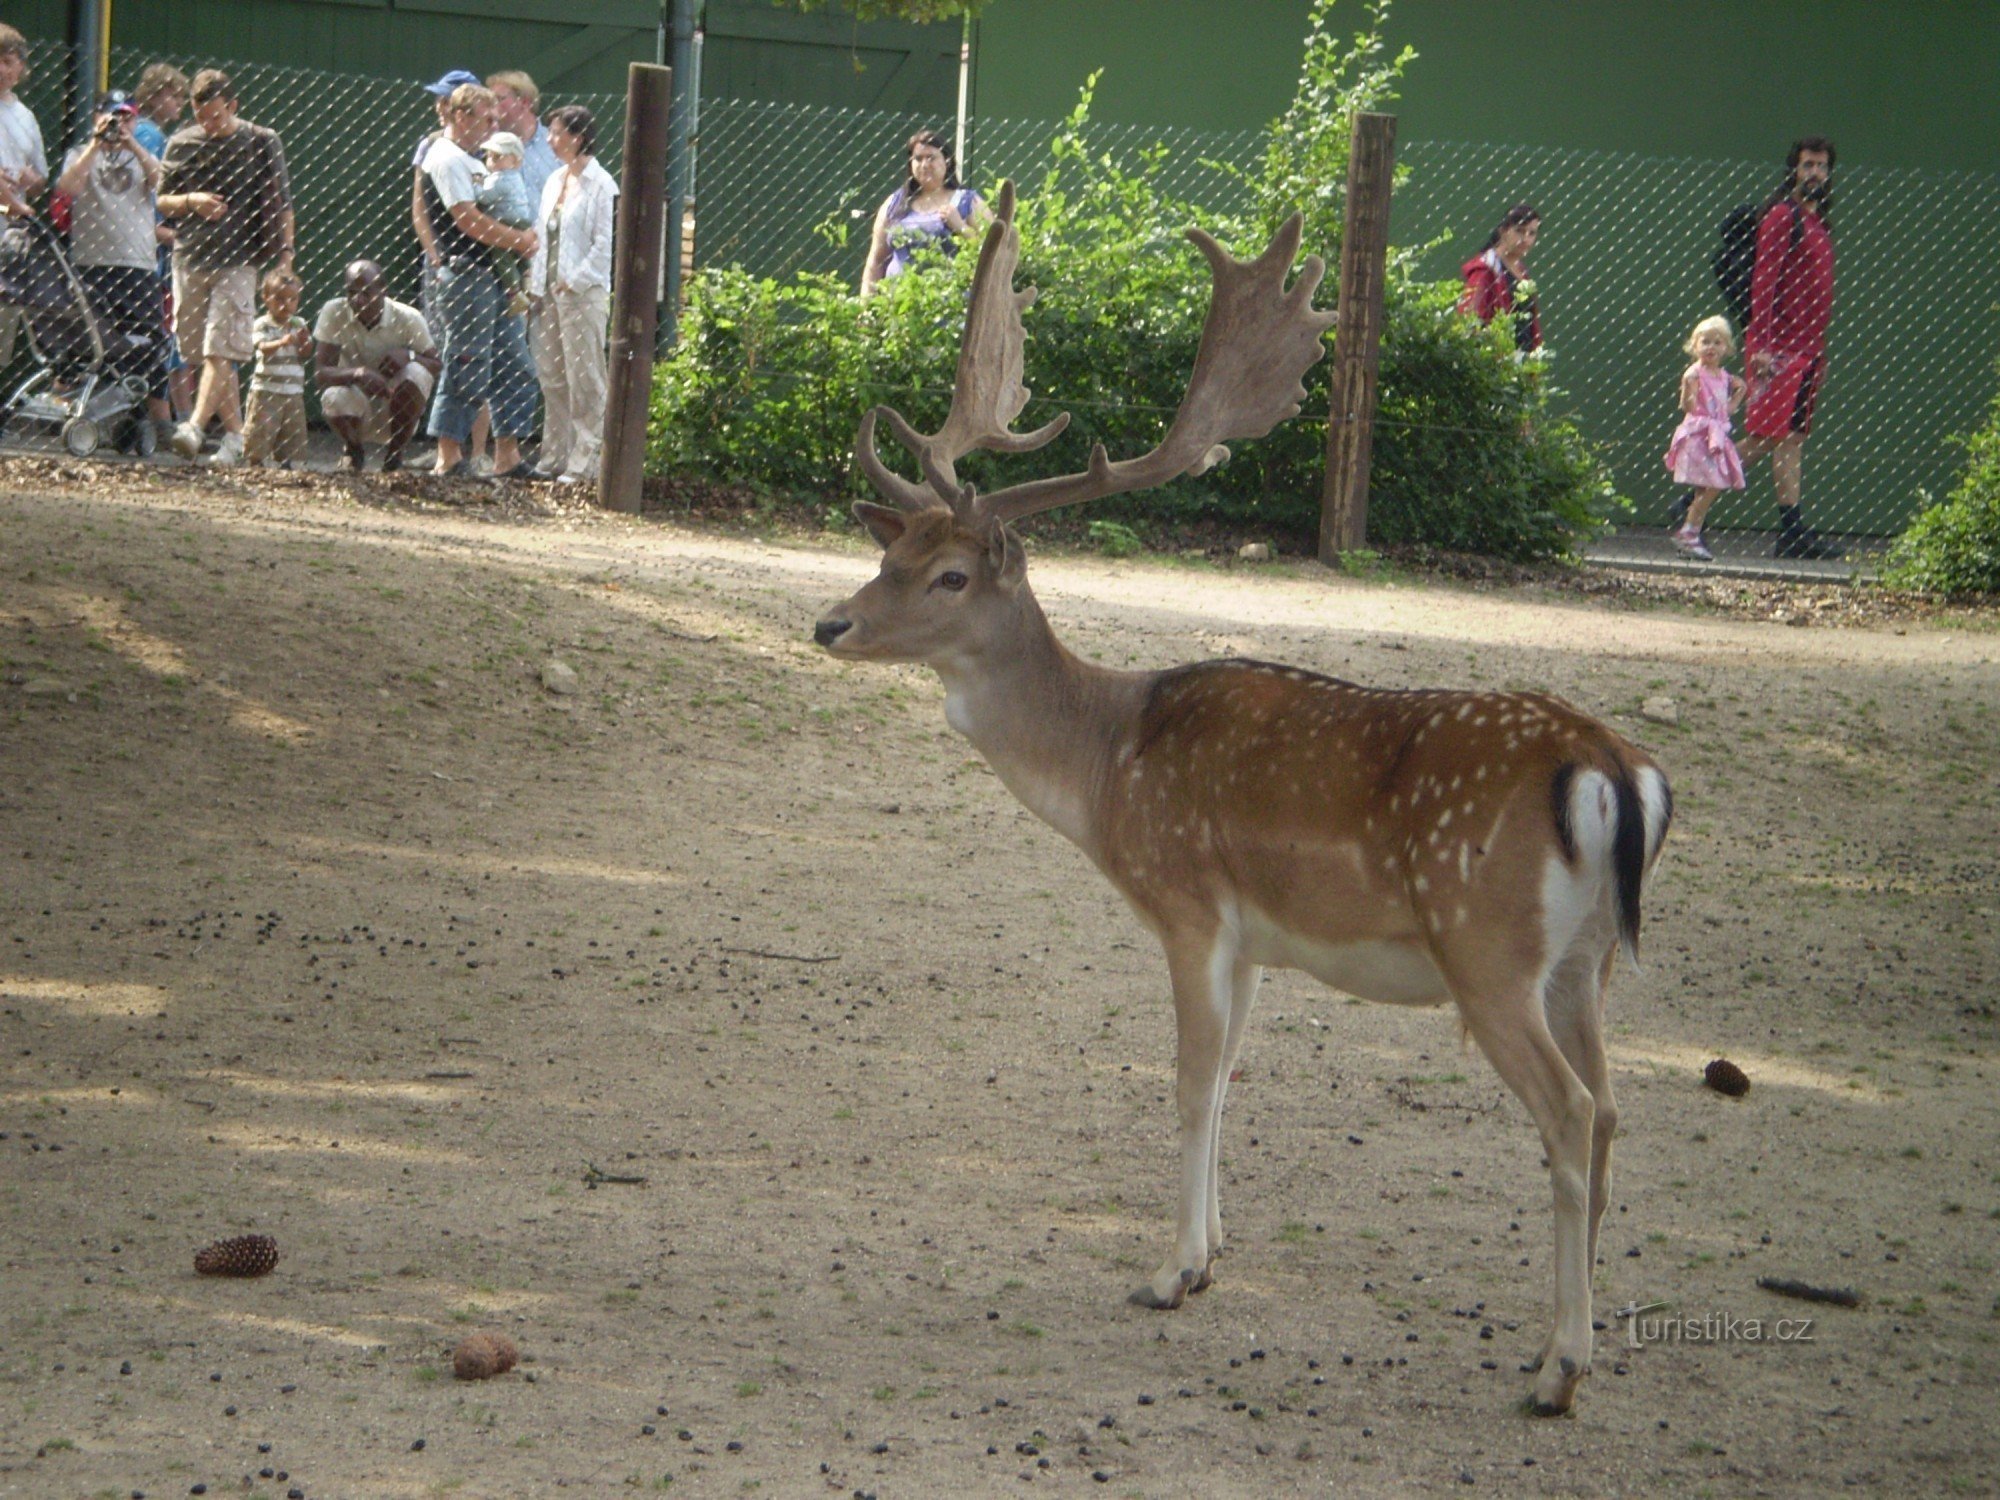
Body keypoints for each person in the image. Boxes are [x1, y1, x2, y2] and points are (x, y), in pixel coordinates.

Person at [158, 70, 295, 468]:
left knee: (223, 345)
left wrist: (286, 256)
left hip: (239, 260)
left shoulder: (262, 141)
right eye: (202, 117)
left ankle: (195, 426)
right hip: (189, 258)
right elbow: (163, 200)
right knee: (201, 352)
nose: (209, 125)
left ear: (232, 106)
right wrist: (192, 201)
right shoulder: (182, 143)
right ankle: (236, 436)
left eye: (216, 116)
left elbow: (284, 203)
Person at [420, 82, 538, 479]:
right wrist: (518, 240)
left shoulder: (476, 160)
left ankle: (509, 456)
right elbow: (466, 219)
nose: (493, 125)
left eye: (494, 118)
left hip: (497, 279)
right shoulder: (446, 157)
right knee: (466, 361)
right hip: (468, 274)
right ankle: (448, 456)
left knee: (515, 363)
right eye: (486, 119)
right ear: (460, 115)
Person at [1739, 137, 1841, 559]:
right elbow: (1763, 282)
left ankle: (1792, 532)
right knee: (1765, 437)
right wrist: (1761, 345)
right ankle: (1691, 502)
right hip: (1777, 348)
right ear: (1794, 171)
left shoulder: (1818, 225)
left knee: (1791, 439)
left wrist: (1819, 354)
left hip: (1807, 350)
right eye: (1807, 166)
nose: (1815, 173)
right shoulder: (1784, 217)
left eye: (1821, 166)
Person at [55, 91, 171, 430]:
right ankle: (63, 405)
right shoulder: (79, 154)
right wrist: (96, 145)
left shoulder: (143, 155)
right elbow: (67, 188)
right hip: (91, 262)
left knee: (151, 339)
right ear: (96, 117)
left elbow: (162, 184)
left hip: (137, 264)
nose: (119, 124)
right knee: (82, 339)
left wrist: (131, 145)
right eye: (111, 117)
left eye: (127, 118)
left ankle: (159, 420)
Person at [528, 104, 616, 484]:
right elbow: (541, 237)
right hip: (547, 295)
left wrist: (574, 280)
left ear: (578, 138)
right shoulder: (554, 181)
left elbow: (605, 244)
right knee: (551, 376)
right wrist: (535, 287)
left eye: (556, 133)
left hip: (583, 296)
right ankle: (553, 457)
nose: (549, 139)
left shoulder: (602, 185)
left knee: (585, 378)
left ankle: (586, 461)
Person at [313, 258, 439, 472]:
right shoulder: (334, 311)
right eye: (351, 292)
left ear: (383, 291)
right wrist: (358, 373)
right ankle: (353, 451)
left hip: (395, 405)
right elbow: (321, 373)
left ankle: (395, 456)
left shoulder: (408, 317)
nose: (358, 299)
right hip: (355, 404)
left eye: (366, 292)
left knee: (416, 372)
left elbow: (436, 364)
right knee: (332, 397)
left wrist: (408, 355)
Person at [131, 62, 192, 426]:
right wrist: (167, 232)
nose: (180, 105)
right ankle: (169, 420)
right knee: (163, 339)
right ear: (156, 95)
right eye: (176, 96)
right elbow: (153, 196)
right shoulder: (151, 135)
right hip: (150, 256)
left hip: (148, 250)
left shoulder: (141, 131)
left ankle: (173, 418)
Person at [859, 129, 987, 298]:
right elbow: (875, 260)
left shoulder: (968, 201)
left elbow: (992, 251)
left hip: (951, 307)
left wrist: (961, 227)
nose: (924, 165)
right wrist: (865, 307)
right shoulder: (895, 204)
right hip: (898, 306)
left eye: (931, 158)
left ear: (947, 161)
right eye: (918, 159)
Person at [1663, 316, 1747, 562]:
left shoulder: (1723, 376)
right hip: (1698, 436)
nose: (1711, 347)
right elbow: (1688, 406)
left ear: (1726, 347)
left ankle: (1691, 534)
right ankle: (1688, 532)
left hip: (1716, 435)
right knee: (1715, 483)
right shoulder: (1695, 373)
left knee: (1707, 486)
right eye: (1705, 342)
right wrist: (1689, 387)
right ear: (1695, 345)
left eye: (1717, 342)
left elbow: (1726, 410)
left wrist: (1740, 393)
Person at [0, 24, 48, 370]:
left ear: (20, 68)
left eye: (7, 61)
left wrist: (30, 181)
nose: (1, 68)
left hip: (11, 236)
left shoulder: (26, 118)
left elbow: (40, 180)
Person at [243, 265, 309, 468]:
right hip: (266, 391)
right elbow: (262, 347)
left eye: (292, 299)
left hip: (293, 391)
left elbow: (305, 354)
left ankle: (288, 464)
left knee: (292, 433)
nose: (286, 305)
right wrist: (282, 342)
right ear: (265, 297)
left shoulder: (298, 323)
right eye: (280, 299)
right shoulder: (262, 324)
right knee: (260, 431)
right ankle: (256, 463)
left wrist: (305, 342)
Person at [1458, 203, 1541, 353]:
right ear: (1503, 231)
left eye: (1532, 233)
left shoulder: (1522, 272)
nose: (1526, 239)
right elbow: (1468, 318)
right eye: (1519, 231)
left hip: (1523, 362)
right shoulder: (1485, 269)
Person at [477, 130, 534, 316]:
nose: (492, 160)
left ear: (516, 161)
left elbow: (484, 197)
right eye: (490, 156)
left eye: (498, 156)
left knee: (501, 252)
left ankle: (513, 292)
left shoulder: (500, 178)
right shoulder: (516, 177)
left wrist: (476, 184)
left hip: (506, 220)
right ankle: (528, 276)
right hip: (523, 220)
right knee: (519, 253)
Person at [485, 71, 558, 216]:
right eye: (489, 102)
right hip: (505, 236)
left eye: (498, 99)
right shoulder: (486, 147)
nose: (491, 107)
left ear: (525, 102)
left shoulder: (555, 143)